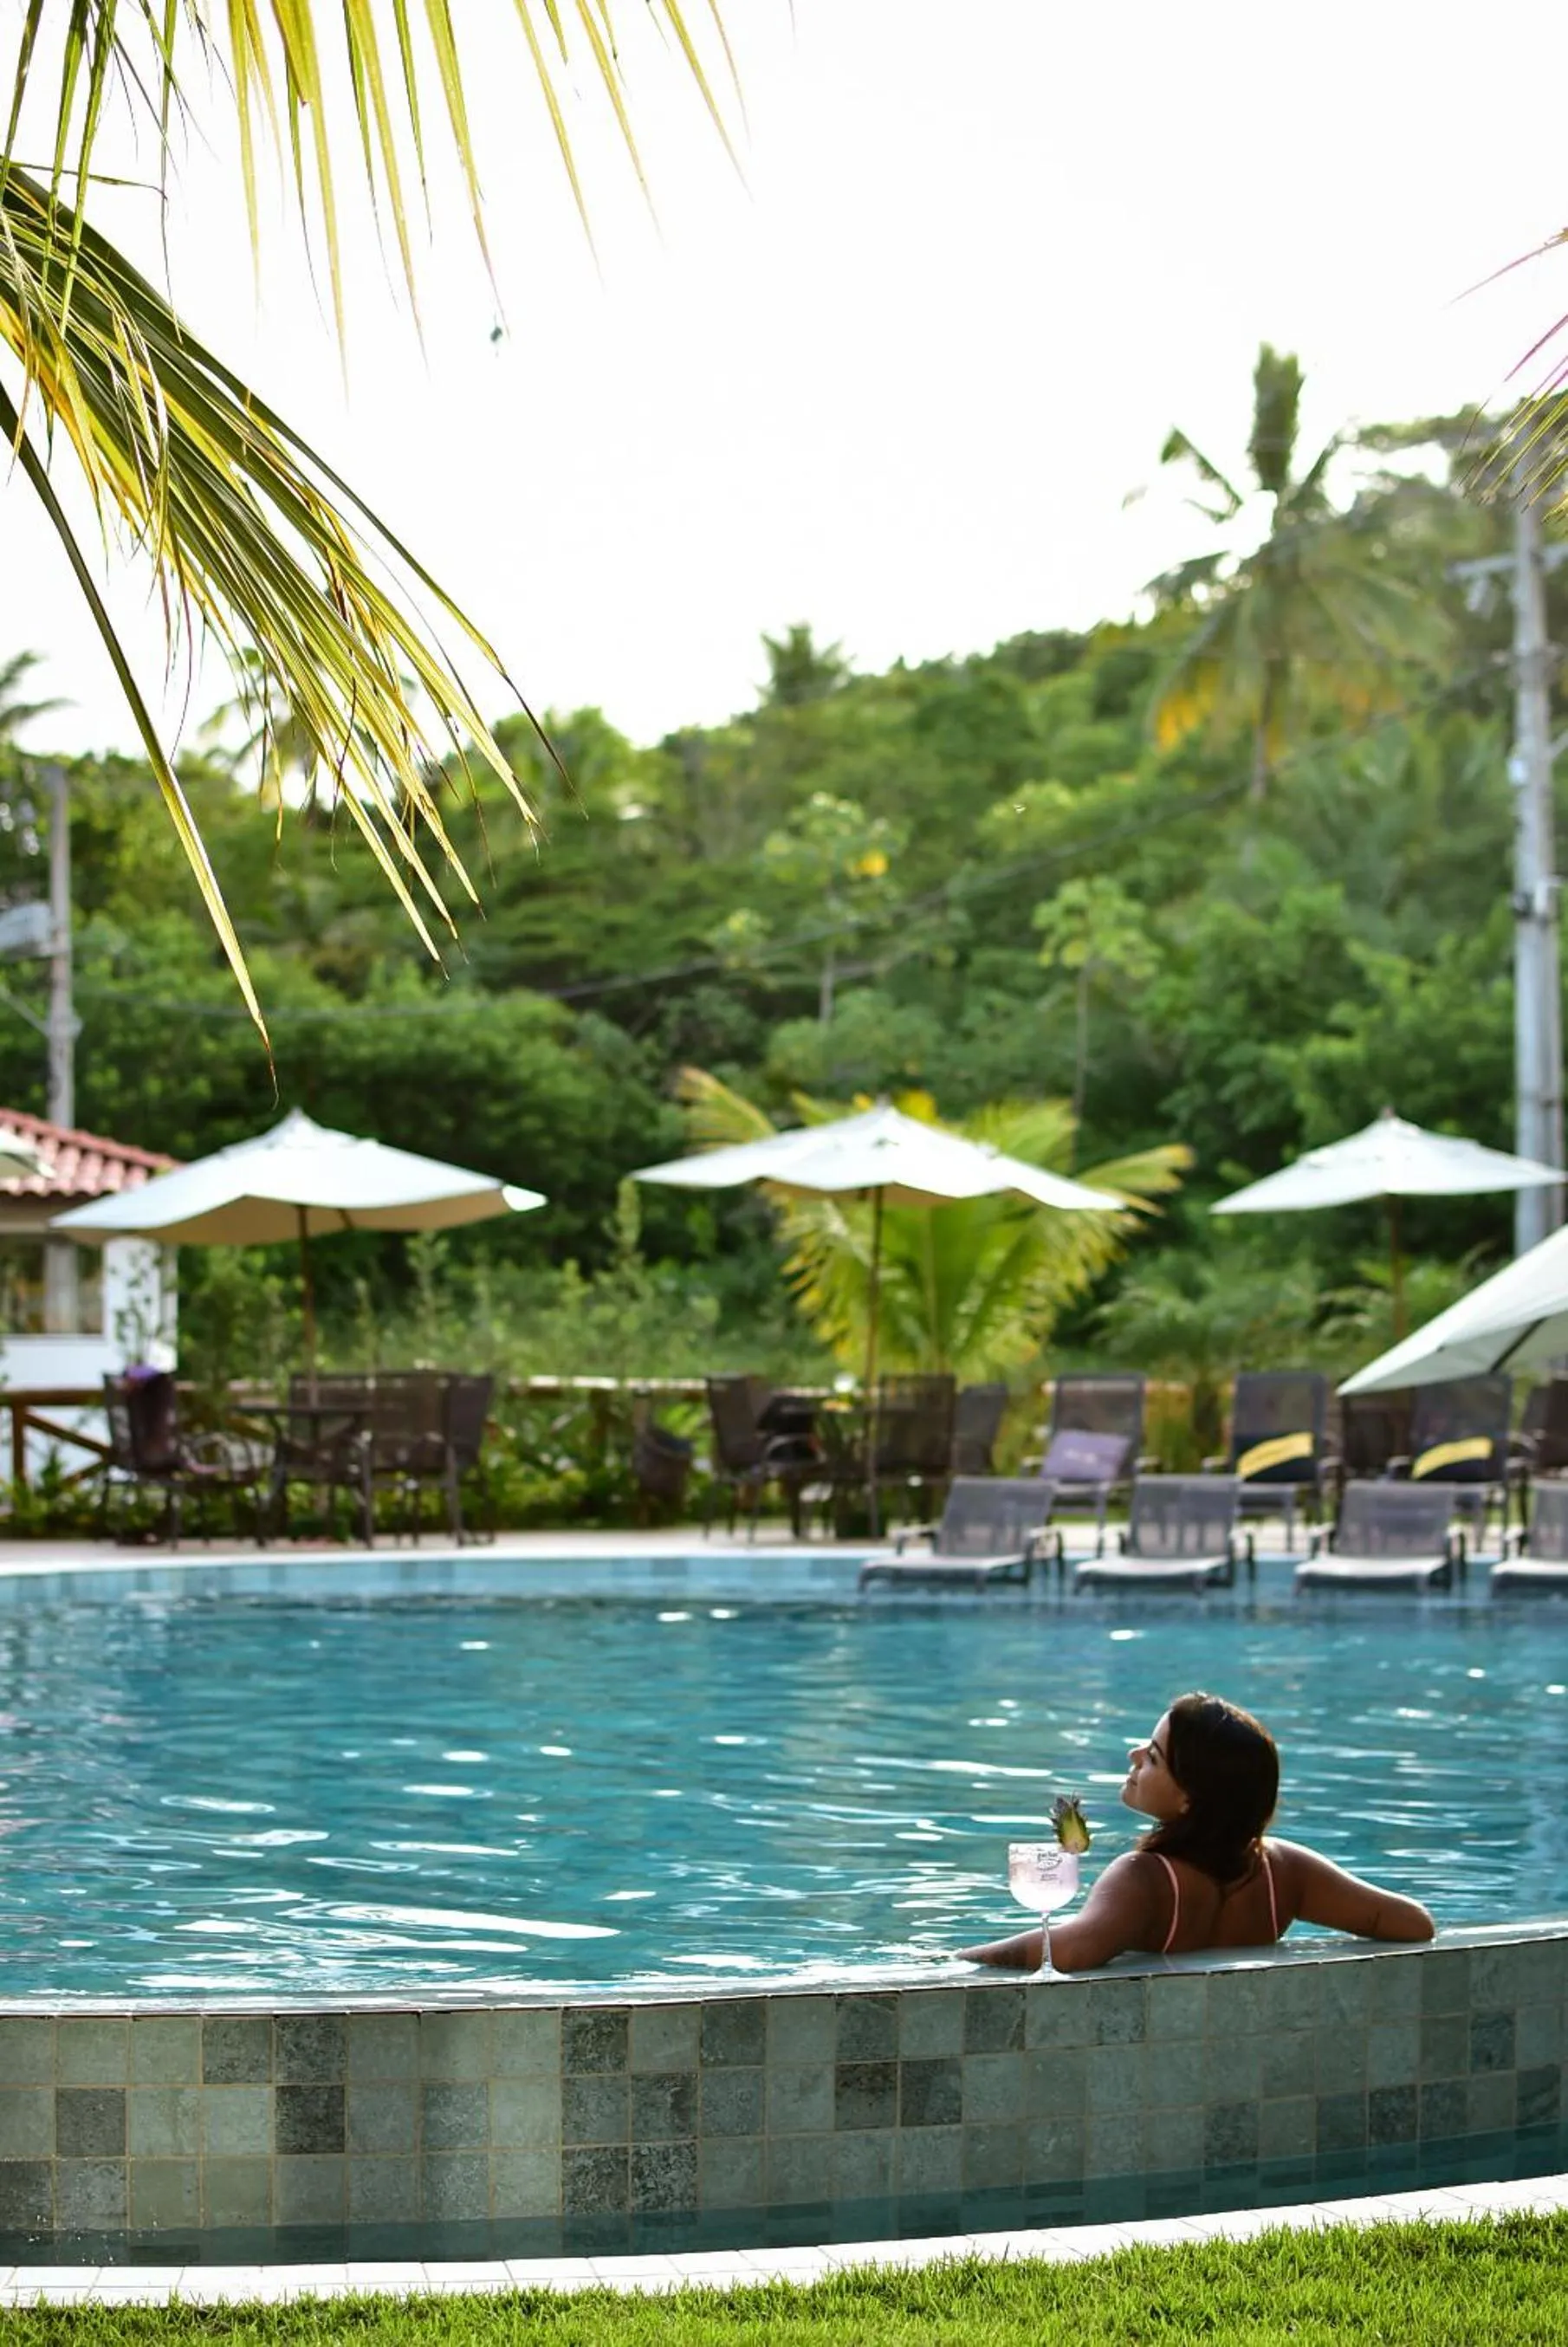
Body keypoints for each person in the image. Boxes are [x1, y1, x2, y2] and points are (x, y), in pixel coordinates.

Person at [960, 1690, 1435, 1972]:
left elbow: (1075, 1947)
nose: (1134, 1757)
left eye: (1153, 1756)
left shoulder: (1144, 1877)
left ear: (1189, 1798)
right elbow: (1411, 1923)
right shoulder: (1283, 1872)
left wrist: (959, 1961)